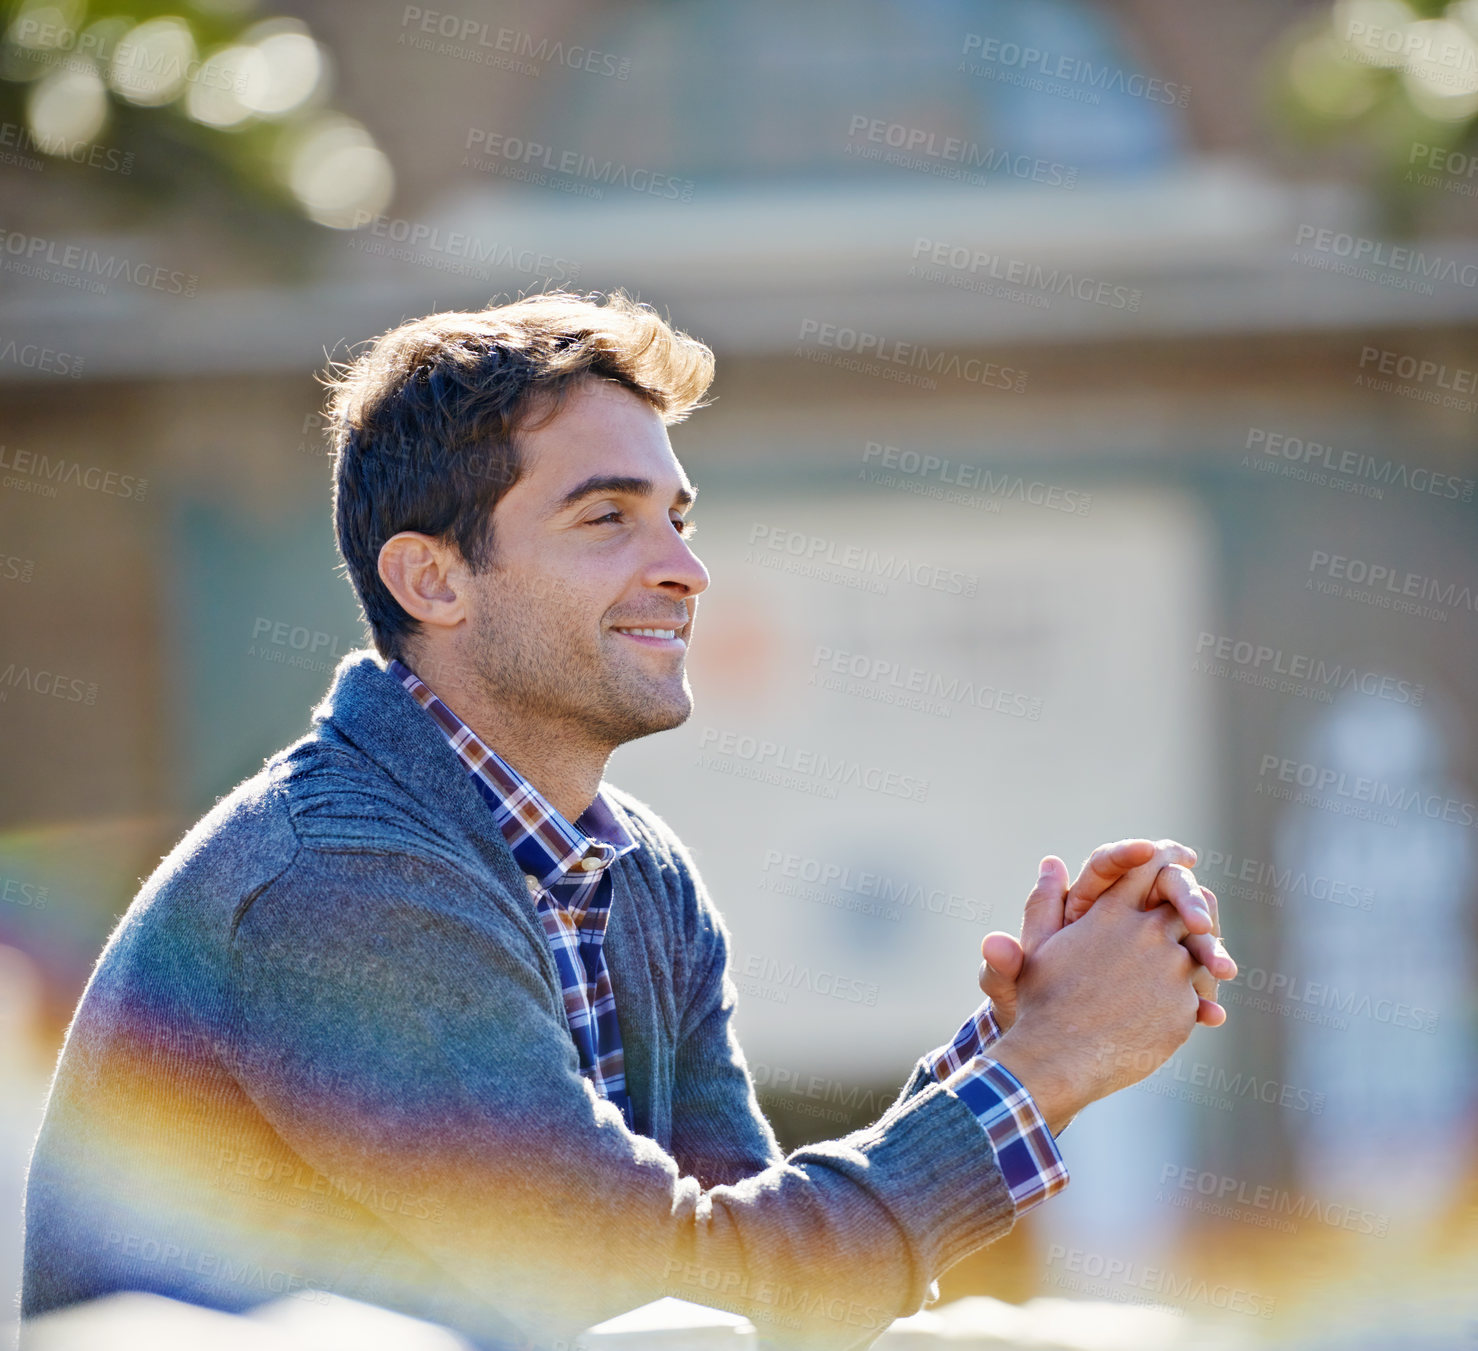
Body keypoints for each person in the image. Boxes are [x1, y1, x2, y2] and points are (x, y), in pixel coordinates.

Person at [21, 291, 1235, 1351]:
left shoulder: (633, 872)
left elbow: (757, 1280)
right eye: (607, 517)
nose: (683, 568)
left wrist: (1014, 1046)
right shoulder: (337, 886)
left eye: (677, 516)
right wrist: (1040, 1073)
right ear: (431, 580)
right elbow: (671, 1296)